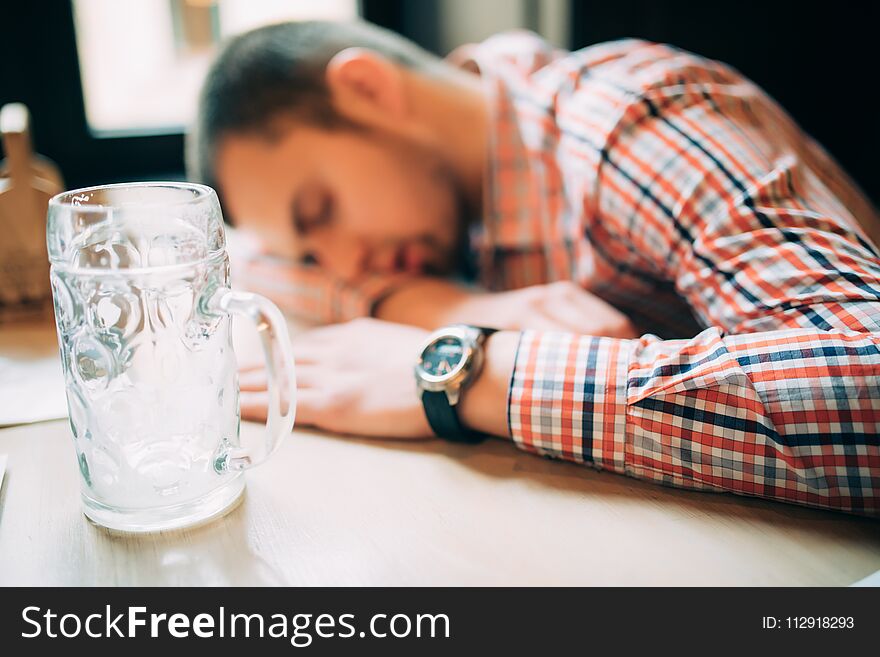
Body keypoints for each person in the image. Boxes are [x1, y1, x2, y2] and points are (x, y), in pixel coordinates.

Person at [189, 20, 880, 516]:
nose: (342, 261)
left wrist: (471, 373)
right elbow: (254, 258)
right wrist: (432, 304)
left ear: (369, 89)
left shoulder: (626, 127)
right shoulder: (439, 207)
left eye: (321, 210)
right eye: (311, 251)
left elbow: (865, 373)